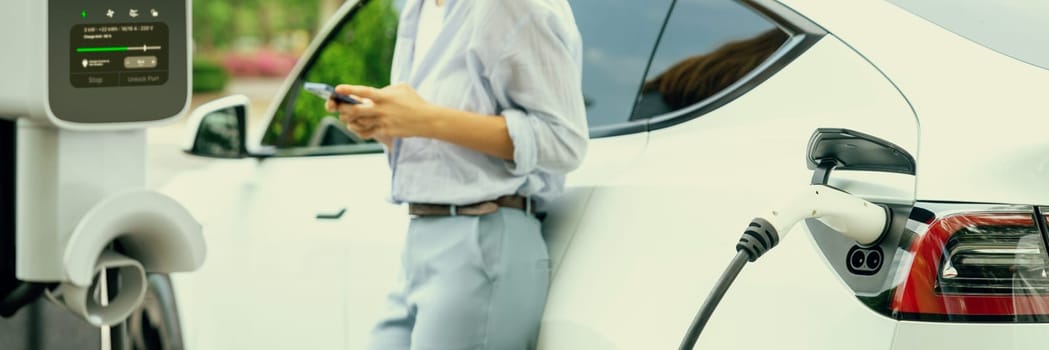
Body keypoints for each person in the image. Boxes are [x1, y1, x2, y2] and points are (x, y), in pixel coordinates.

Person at [325, 0, 587, 349]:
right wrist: (385, 125)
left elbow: (564, 140)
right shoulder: (417, 8)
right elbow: (443, 141)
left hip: (482, 240)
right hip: (421, 237)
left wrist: (424, 118)